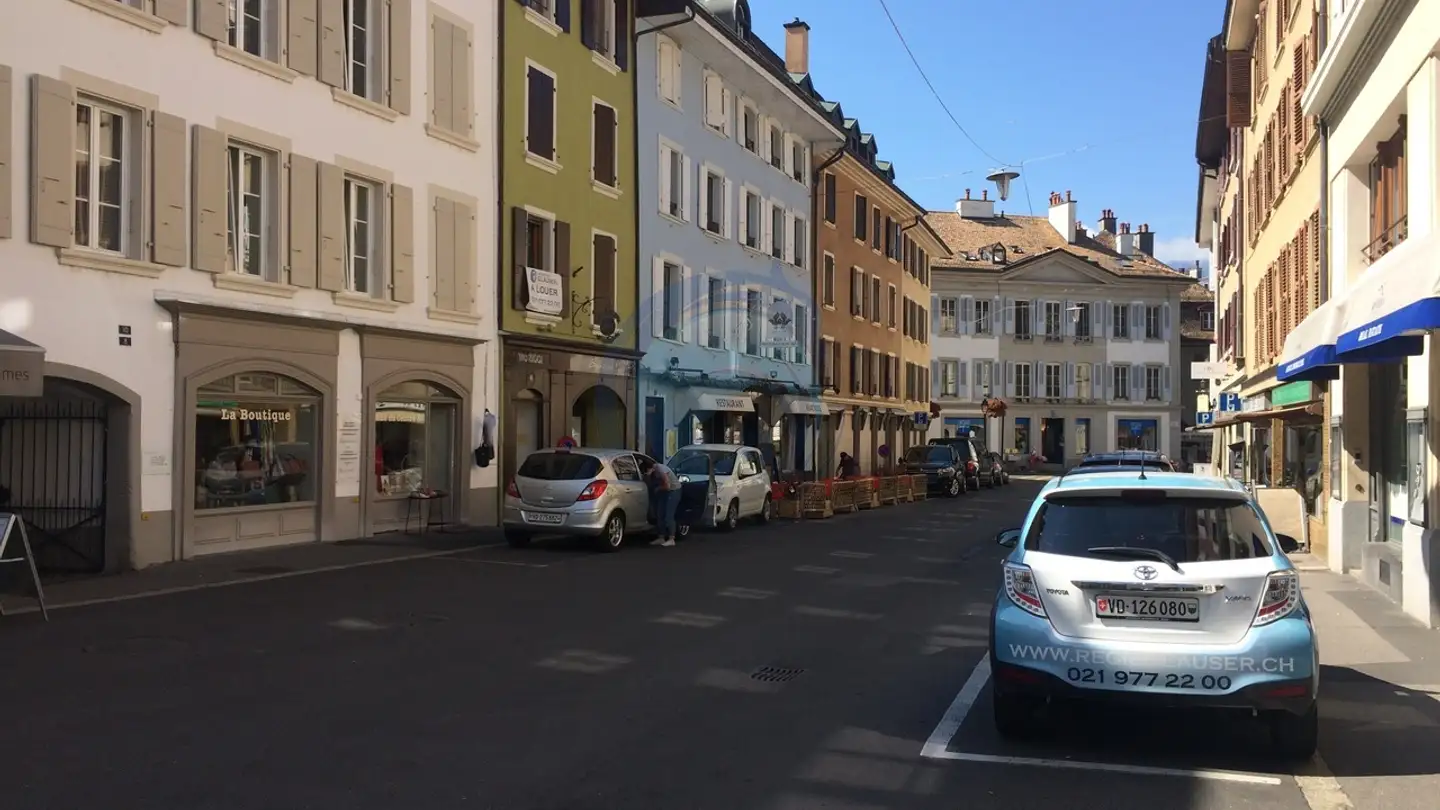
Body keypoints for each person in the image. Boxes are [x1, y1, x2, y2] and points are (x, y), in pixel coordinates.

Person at [648, 460, 682, 547]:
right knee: (660, 514)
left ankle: (671, 538)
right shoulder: (655, 471)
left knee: (668, 515)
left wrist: (658, 488)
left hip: (673, 491)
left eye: (647, 471)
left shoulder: (661, 469)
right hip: (665, 492)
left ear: (651, 468)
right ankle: (661, 537)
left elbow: (667, 486)